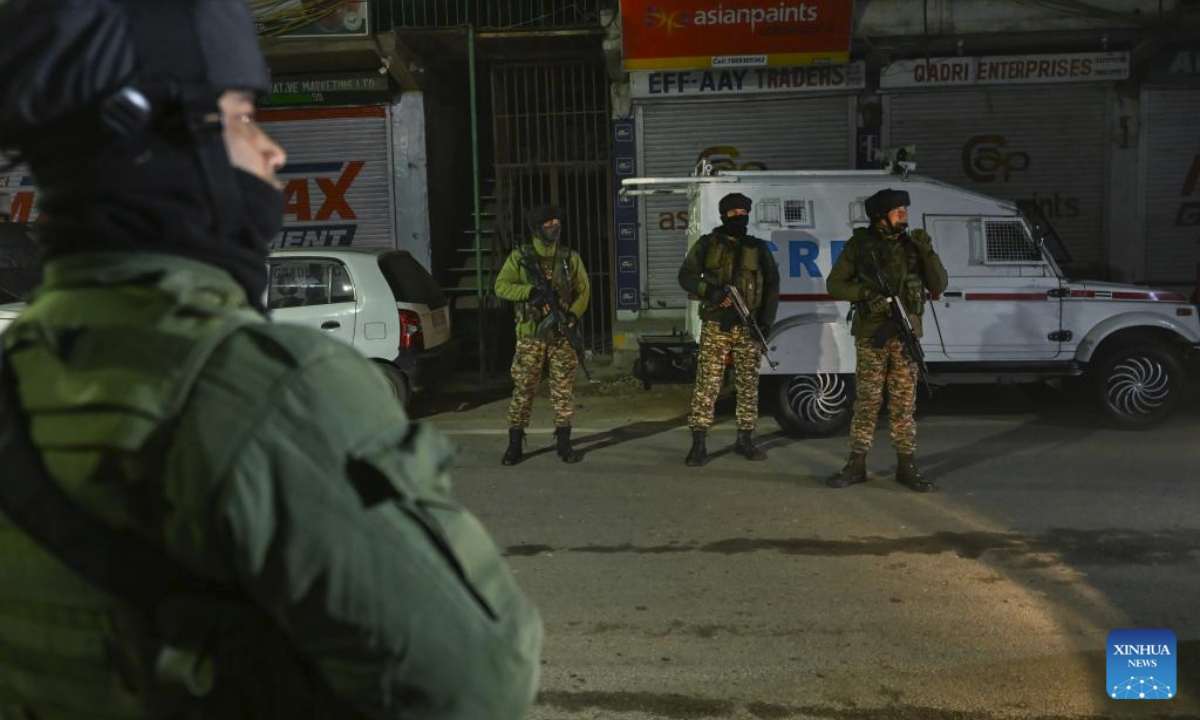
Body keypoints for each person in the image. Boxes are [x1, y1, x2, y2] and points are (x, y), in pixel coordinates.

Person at [0, 1, 541, 718]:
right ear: (167, 145)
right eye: (242, 119)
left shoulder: (19, 372)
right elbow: (478, 681)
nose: (273, 152)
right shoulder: (270, 390)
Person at [825, 188, 948, 492]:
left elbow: (939, 283)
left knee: (904, 405)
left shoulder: (913, 246)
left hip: (906, 337)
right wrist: (866, 294)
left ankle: (906, 466)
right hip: (872, 336)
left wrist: (927, 250)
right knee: (867, 402)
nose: (904, 215)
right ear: (881, 216)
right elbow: (835, 284)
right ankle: (856, 464)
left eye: (904, 210)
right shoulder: (860, 245)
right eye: (898, 211)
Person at [677, 192, 780, 467]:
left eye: (742, 213)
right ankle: (698, 443)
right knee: (707, 385)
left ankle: (745, 440)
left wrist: (766, 324)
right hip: (716, 324)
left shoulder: (758, 249)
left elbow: (772, 287)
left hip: (749, 325)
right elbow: (685, 276)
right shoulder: (707, 244)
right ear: (723, 216)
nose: (738, 218)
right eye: (733, 213)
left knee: (748, 385)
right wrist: (709, 292)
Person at [494, 204, 591, 465]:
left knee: (563, 390)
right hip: (530, 335)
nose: (554, 226)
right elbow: (501, 286)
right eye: (547, 223)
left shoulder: (570, 257)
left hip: (562, 334)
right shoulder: (520, 256)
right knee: (524, 388)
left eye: (556, 222)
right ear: (536, 228)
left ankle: (564, 442)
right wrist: (529, 293)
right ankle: (515, 443)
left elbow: (584, 290)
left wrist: (572, 315)